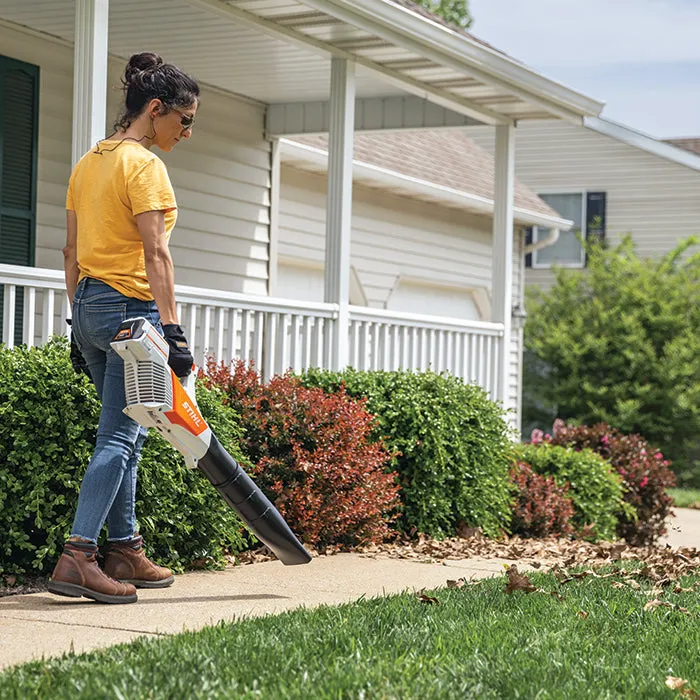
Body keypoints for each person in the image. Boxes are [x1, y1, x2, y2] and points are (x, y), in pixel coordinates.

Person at [48, 52, 199, 604]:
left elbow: (70, 250)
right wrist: (174, 332)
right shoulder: (143, 166)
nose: (187, 131)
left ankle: (125, 549)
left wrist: (78, 319)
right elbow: (156, 253)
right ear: (154, 109)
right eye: (183, 119)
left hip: (87, 307)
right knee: (118, 437)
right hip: (130, 313)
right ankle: (79, 557)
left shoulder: (89, 162)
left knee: (129, 435)